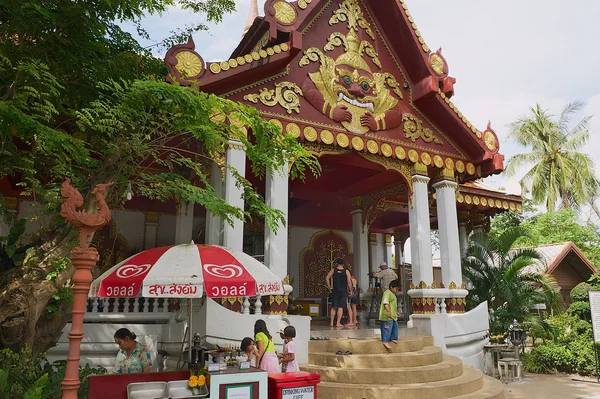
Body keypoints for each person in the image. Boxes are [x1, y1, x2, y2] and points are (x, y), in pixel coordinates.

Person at [325, 258, 352, 327]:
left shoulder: (333, 270)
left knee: (334, 307)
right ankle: (338, 323)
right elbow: (349, 281)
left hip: (335, 291)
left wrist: (329, 287)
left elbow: (327, 278)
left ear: (336, 263)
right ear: (343, 264)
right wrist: (350, 290)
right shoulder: (346, 271)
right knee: (340, 307)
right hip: (343, 291)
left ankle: (331, 322)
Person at [379, 280, 401, 350]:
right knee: (387, 328)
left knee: (395, 327)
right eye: (396, 289)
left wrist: (396, 312)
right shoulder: (387, 293)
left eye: (398, 289)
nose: (396, 291)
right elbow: (386, 303)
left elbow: (393, 305)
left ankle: (393, 338)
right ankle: (385, 340)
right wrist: (388, 311)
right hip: (386, 316)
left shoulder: (393, 295)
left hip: (393, 316)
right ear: (391, 287)